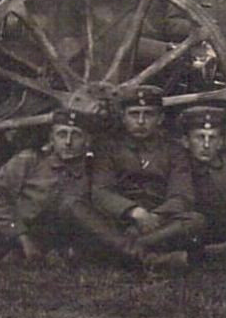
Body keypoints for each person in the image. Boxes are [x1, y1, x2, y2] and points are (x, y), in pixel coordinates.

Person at [0, 108, 183, 270]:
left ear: (87, 142)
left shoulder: (88, 179)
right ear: (51, 139)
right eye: (62, 135)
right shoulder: (29, 161)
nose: (67, 142)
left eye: (75, 136)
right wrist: (21, 235)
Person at [86, 85, 205, 263]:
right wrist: (134, 212)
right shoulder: (108, 148)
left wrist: (155, 217)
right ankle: (153, 259)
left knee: (195, 221)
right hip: (121, 220)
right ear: (123, 118)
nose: (141, 121)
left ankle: (121, 251)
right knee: (83, 212)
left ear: (160, 118)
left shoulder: (174, 150)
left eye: (148, 114)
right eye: (134, 114)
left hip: (160, 223)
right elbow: (101, 191)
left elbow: (182, 194)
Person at [174, 105, 226, 258]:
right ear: (186, 141)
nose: (206, 145)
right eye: (199, 137)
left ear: (220, 142)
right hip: (205, 232)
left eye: (212, 138)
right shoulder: (179, 167)